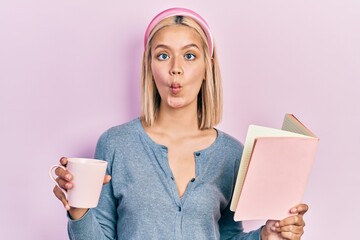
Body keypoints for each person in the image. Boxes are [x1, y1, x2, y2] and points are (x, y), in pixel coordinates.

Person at [53, 7, 308, 240]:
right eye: (163, 55)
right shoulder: (116, 144)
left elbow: (229, 236)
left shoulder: (231, 154)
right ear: (149, 66)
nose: (176, 68)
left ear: (207, 67)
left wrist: (267, 235)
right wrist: (78, 209)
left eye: (189, 55)